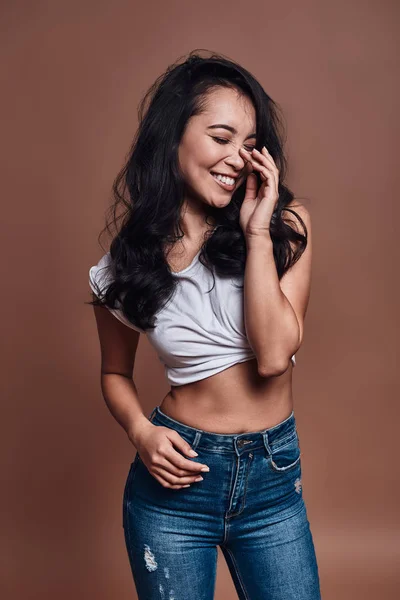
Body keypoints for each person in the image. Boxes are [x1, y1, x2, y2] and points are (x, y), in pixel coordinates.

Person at [88, 50, 321, 599]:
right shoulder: (126, 264)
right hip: (176, 487)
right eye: (221, 138)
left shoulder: (285, 226)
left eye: (248, 144)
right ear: (173, 139)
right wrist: (142, 432)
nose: (237, 158)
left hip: (272, 480)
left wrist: (257, 233)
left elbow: (273, 357)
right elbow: (114, 374)